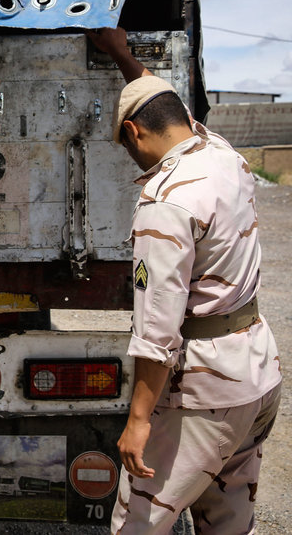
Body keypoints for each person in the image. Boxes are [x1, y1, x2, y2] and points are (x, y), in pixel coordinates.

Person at [88, 27, 281, 534]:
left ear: (133, 132)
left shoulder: (165, 203)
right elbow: (162, 99)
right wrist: (123, 56)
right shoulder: (222, 153)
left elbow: (158, 332)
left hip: (203, 393)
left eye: (127, 145)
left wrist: (139, 421)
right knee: (227, 512)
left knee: (140, 521)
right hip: (256, 373)